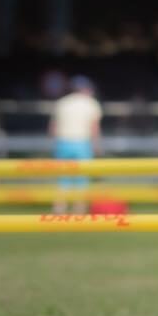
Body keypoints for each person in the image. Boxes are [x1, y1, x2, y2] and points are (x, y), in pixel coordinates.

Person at [49, 75, 102, 214]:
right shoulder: (91, 103)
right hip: (82, 143)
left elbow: (53, 127)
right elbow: (94, 128)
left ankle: (59, 208)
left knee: (62, 178)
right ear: (85, 89)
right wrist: (96, 146)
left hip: (63, 142)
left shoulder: (61, 103)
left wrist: (55, 144)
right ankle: (79, 209)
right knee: (82, 178)